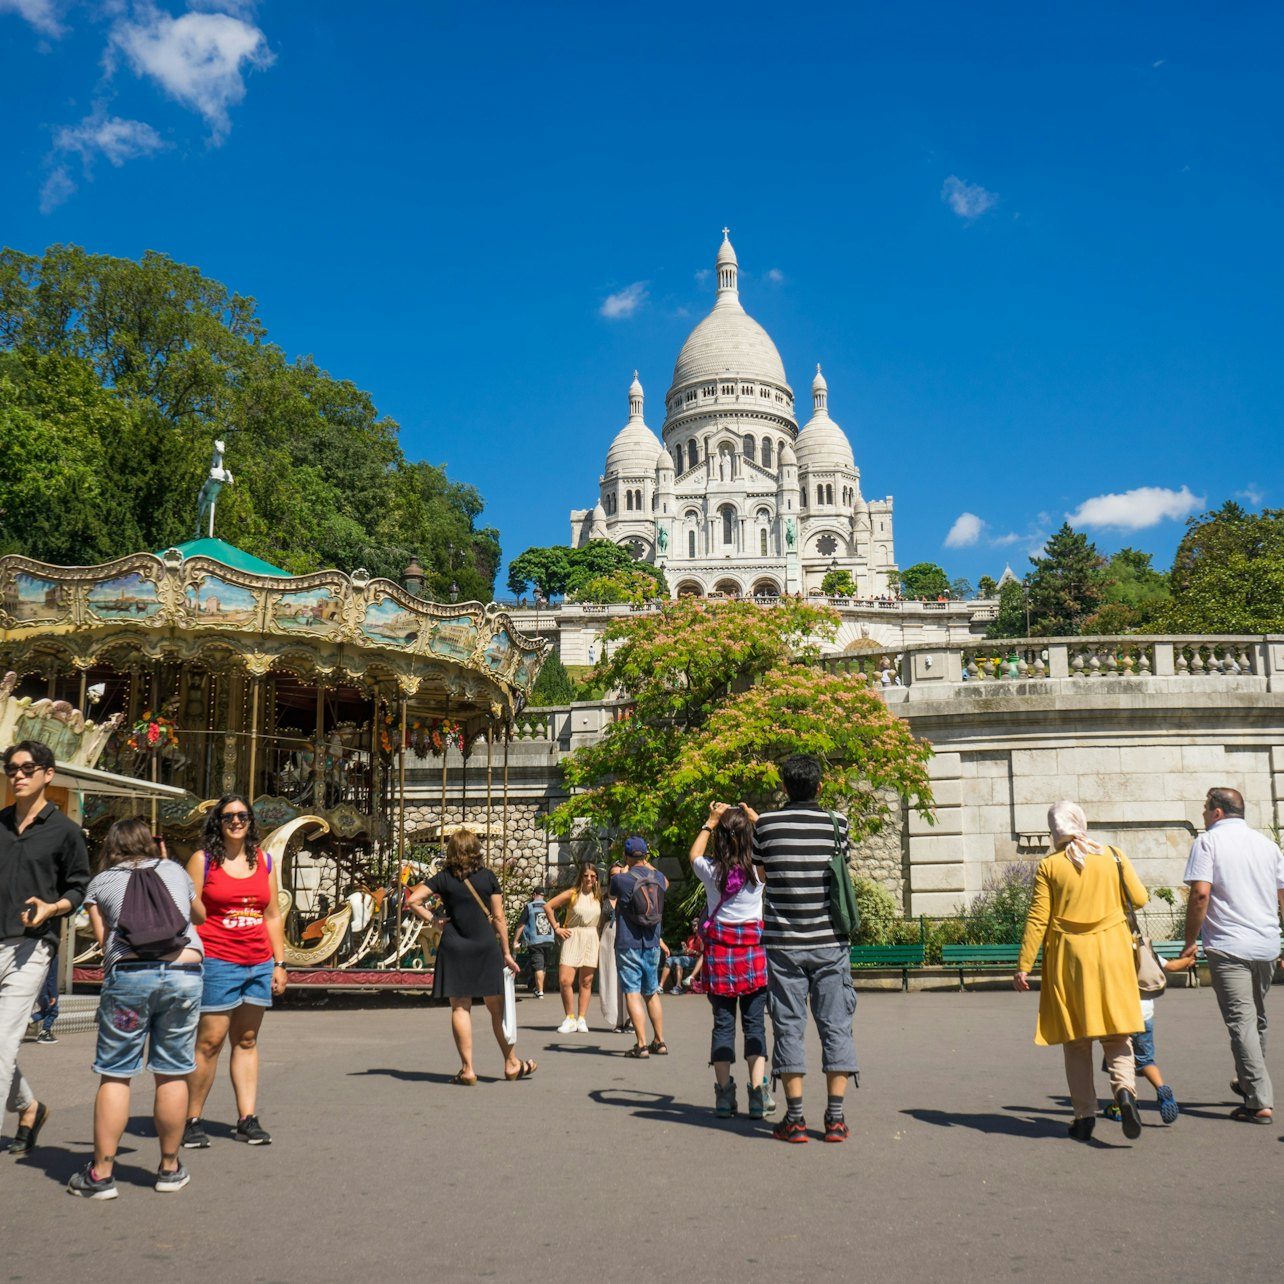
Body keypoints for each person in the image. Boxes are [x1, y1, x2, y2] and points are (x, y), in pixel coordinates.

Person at [68, 818, 206, 1198]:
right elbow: (200, 916)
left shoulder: (101, 882)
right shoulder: (175, 871)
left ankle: (101, 1175)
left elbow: (103, 939)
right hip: (183, 975)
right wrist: (165, 862)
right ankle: (169, 1168)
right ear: (151, 843)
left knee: (116, 1073)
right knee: (173, 1072)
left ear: (111, 847)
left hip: (130, 980)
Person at [1013, 800, 1147, 1142]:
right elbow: (1141, 898)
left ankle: (1084, 1117)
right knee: (1118, 1034)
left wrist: (1024, 965)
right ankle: (1125, 1093)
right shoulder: (1112, 855)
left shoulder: (1050, 866)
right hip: (1114, 953)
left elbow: (1038, 918)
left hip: (1070, 958)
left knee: (1076, 1040)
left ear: (1053, 829)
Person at [752, 755, 859, 1143]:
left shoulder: (764, 825)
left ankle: (794, 1118)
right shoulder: (837, 823)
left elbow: (761, 873)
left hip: (783, 944)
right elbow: (842, 869)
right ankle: (835, 1118)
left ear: (784, 786)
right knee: (836, 1024)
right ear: (819, 786)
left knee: (788, 1026)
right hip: (830, 941)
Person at [182, 796, 287, 1149]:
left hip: (257, 961)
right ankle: (191, 1119)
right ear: (218, 821)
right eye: (229, 816)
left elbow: (272, 915)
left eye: (243, 815)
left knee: (247, 1040)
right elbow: (189, 909)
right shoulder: (203, 861)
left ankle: (246, 1118)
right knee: (209, 1042)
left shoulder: (264, 861)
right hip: (216, 960)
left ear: (251, 821)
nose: (236, 821)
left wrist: (280, 962)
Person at [1, 740, 90, 1158]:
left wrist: (53, 907)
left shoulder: (66, 832)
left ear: (47, 774)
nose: (17, 775)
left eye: (26, 768)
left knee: (2, 1042)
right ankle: (30, 1108)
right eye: (10, 769)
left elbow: (79, 887)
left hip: (32, 948)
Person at [1181, 787, 1284, 1125]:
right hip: (1266, 945)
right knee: (1256, 1018)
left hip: (1229, 946)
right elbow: (1283, 896)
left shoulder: (1208, 842)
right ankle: (1246, 1078)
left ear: (1218, 812)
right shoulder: (1268, 846)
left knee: (1241, 1022)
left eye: (1204, 808)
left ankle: (1259, 1102)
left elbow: (1200, 895)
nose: (1203, 815)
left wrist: (1189, 941)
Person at [405, 829, 533, 1083]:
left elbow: (413, 901)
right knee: (497, 1009)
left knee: (460, 1006)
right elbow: (498, 917)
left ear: (452, 852)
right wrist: (507, 952)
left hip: (455, 946)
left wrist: (436, 920)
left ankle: (468, 1069)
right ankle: (511, 1063)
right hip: (485, 946)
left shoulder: (443, 878)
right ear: (477, 850)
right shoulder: (488, 878)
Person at [691, 802, 771, 1119]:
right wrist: (757, 819)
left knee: (723, 1026)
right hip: (753, 953)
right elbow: (776, 844)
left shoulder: (711, 871)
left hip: (721, 954)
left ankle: (724, 1097)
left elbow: (694, 854)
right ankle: (757, 1095)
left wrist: (710, 820)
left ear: (720, 839)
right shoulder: (758, 871)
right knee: (755, 1028)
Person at [1102, 954, 1195, 1127]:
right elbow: (1172, 966)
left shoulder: (1109, 946)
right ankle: (1162, 1090)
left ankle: (1121, 1105)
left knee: (1117, 1059)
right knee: (1146, 1060)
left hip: (1120, 1013)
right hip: (1144, 1014)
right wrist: (1188, 958)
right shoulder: (1145, 950)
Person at [609, 837, 668, 1058]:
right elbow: (664, 883)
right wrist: (646, 865)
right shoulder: (659, 877)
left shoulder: (621, 879)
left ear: (626, 856)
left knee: (632, 993)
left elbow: (612, 894)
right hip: (652, 941)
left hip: (628, 941)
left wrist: (626, 868)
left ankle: (641, 1044)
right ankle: (660, 1041)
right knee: (651, 992)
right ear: (645, 855)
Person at [545, 863, 604, 1034]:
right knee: (565, 981)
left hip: (591, 937)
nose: (589, 879)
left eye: (593, 876)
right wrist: (556, 928)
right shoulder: (572, 894)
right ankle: (569, 1018)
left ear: (597, 878)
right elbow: (548, 906)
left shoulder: (598, 896)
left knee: (586, 982)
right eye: (586, 875)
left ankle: (582, 1018)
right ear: (581, 876)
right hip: (572, 936)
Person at [512, 885, 554, 997]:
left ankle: (540, 991)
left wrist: (515, 940)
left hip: (536, 940)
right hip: (549, 939)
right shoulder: (549, 906)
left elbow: (521, 924)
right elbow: (556, 923)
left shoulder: (529, 907)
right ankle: (538, 988)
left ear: (534, 895)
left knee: (538, 965)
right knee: (543, 965)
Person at [30, 944, 59, 1044]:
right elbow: (52, 976)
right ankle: (45, 1032)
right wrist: (53, 994)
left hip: (38, 988)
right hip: (46, 990)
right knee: (53, 1011)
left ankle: (30, 1019)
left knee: (45, 1010)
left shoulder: (37, 954)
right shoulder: (52, 956)